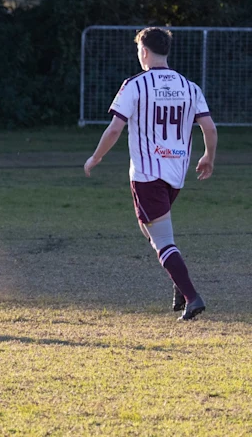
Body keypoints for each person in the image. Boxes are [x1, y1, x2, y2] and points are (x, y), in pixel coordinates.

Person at [84, 26, 215, 321]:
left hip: (147, 175)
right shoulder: (189, 86)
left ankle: (191, 296)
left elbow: (115, 128)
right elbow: (209, 127)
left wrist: (96, 156)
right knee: (149, 228)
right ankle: (179, 285)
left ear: (144, 51)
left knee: (162, 240)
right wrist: (209, 156)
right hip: (176, 174)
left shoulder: (134, 85)